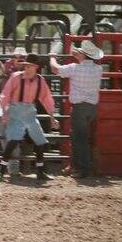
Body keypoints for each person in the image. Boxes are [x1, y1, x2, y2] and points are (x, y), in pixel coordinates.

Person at [0, 53, 59, 181]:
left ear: (36, 66)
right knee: (13, 141)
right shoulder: (16, 77)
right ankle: (2, 171)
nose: (27, 68)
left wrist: (52, 116)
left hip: (30, 111)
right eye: (26, 66)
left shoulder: (40, 80)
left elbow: (46, 98)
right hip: (15, 110)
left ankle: (40, 171)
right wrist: (4, 111)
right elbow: (6, 94)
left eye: (29, 66)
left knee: (40, 141)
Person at [49, 41, 103, 178]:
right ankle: (74, 166)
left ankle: (83, 169)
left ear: (83, 55)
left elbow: (55, 69)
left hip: (79, 108)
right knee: (78, 137)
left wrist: (52, 57)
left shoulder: (75, 68)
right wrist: (77, 54)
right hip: (92, 108)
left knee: (80, 139)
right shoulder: (98, 69)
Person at [0, 46, 28, 175]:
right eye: (15, 57)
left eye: (21, 58)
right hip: (7, 105)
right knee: (4, 132)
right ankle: (10, 166)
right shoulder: (8, 69)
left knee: (13, 137)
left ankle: (12, 167)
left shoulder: (27, 72)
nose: (18, 60)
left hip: (18, 107)